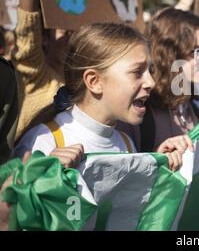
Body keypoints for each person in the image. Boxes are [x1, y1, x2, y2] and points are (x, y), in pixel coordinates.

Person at [11, 0, 140, 142]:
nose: (72, 38)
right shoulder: (36, 76)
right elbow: (27, 25)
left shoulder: (99, 85)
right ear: (45, 39)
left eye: (77, 33)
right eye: (64, 32)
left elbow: (120, 30)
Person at [14, 23, 185, 171]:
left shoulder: (126, 143)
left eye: (150, 70)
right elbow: (16, 205)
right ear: (94, 81)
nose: (151, 82)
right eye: (137, 72)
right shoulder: (44, 141)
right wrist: (47, 175)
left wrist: (156, 165)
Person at [140, 8, 199, 152]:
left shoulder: (189, 106)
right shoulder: (141, 110)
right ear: (170, 53)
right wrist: (159, 156)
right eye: (197, 52)